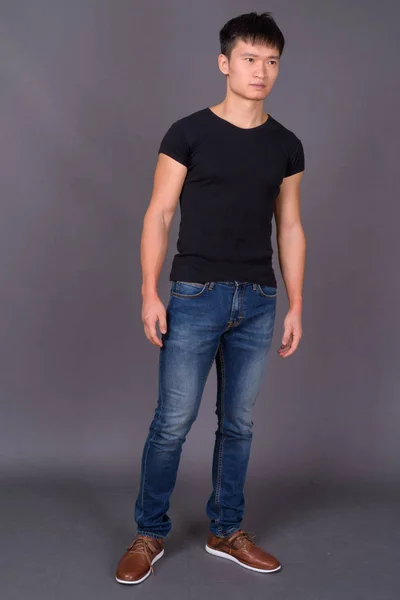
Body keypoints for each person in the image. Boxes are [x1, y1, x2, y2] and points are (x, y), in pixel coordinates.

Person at [115, 11, 306, 585]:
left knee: (239, 425)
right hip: (195, 295)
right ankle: (149, 534)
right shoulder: (188, 132)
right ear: (225, 63)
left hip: (259, 300)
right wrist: (150, 292)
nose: (261, 71)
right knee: (172, 422)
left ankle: (227, 529)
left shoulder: (286, 145)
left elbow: (290, 227)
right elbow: (159, 213)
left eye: (271, 61)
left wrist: (297, 304)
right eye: (250, 59)